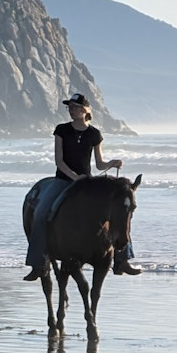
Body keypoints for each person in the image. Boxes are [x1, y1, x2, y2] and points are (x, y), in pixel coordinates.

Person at [24, 93, 140, 279]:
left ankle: (123, 260)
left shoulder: (94, 134)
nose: (71, 110)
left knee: (118, 213)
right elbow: (59, 161)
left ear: (85, 110)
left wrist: (112, 163)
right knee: (41, 213)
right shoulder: (61, 130)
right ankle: (38, 263)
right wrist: (74, 177)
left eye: (75, 107)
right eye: (69, 107)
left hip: (86, 184)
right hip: (62, 181)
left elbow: (99, 164)